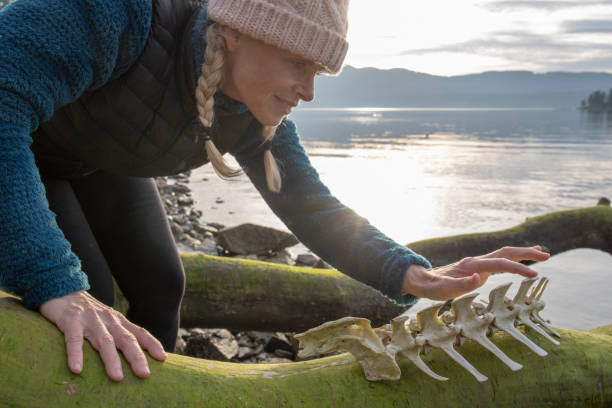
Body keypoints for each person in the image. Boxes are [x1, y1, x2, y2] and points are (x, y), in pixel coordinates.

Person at [0, 0, 550, 382]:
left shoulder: (250, 112)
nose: (309, 92)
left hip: (104, 159)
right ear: (236, 31)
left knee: (163, 284)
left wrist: (417, 275)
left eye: (319, 73)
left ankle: (148, 389)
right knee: (82, 293)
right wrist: (51, 280)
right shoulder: (118, 15)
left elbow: (309, 205)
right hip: (23, 149)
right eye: (298, 63)